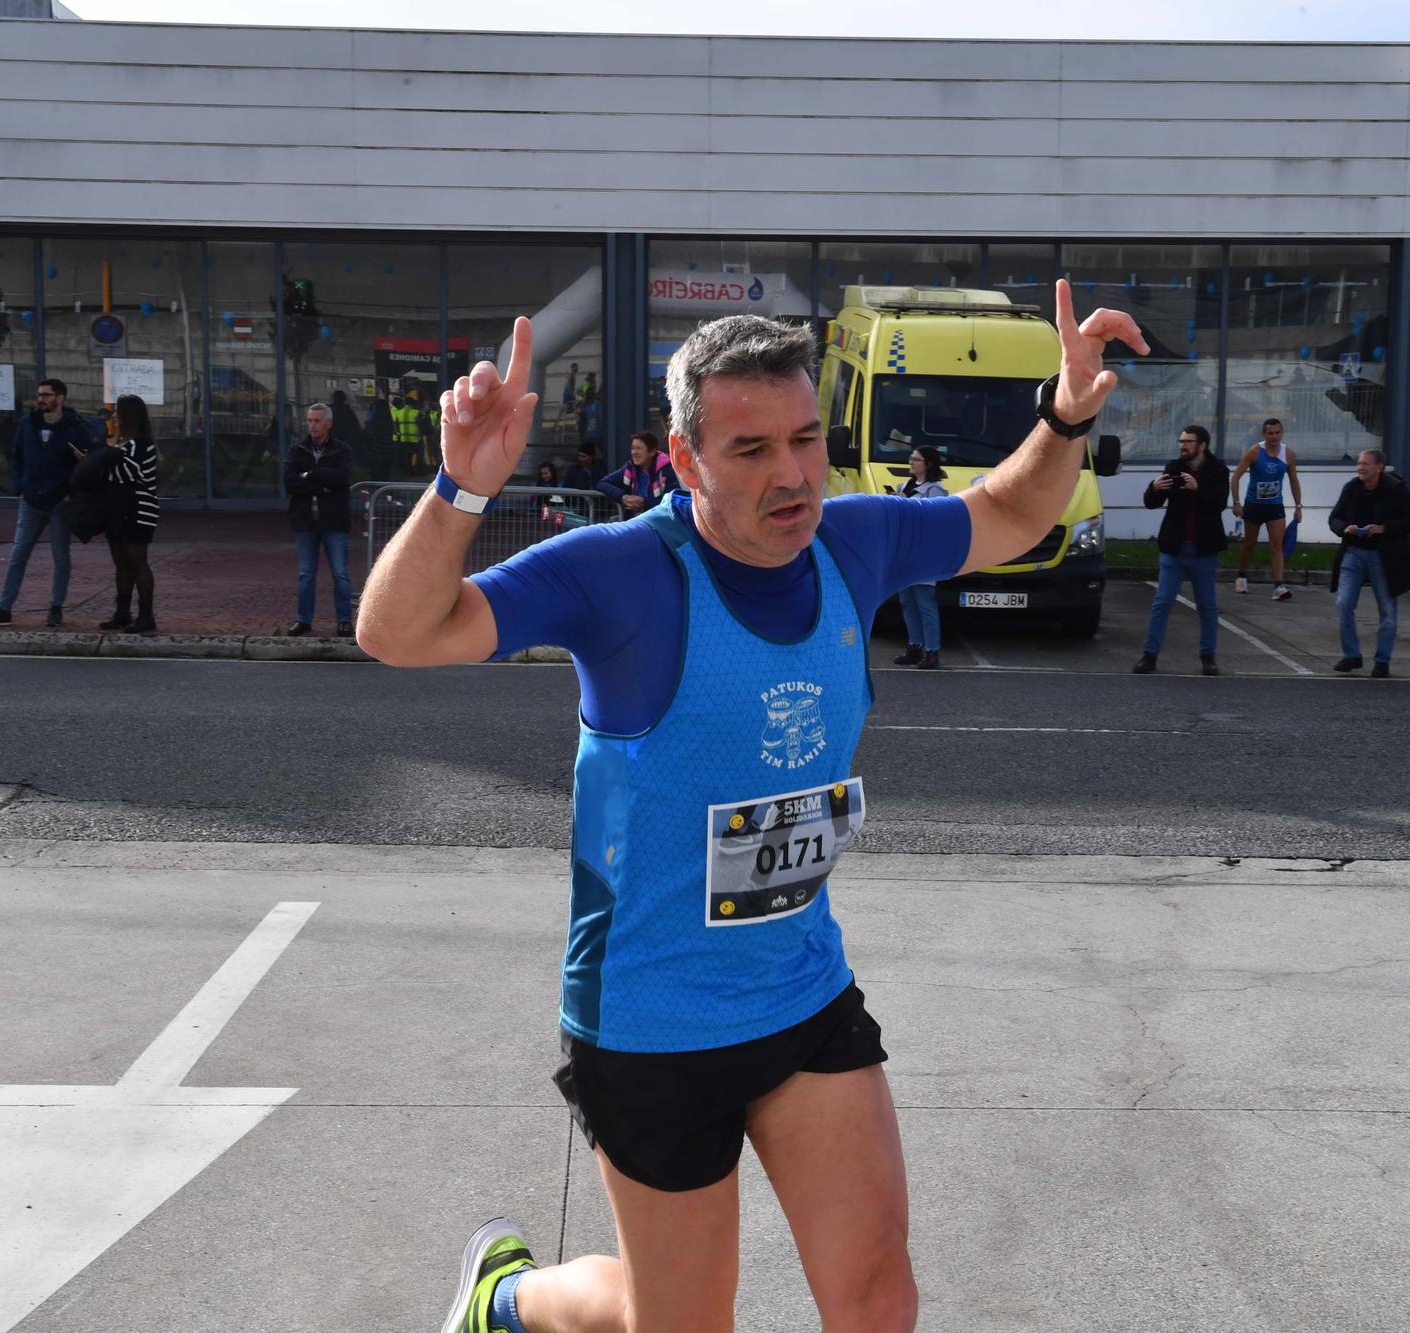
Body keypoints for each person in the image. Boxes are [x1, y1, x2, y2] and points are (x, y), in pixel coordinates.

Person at [356, 282, 1147, 1333]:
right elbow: (396, 632)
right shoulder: (621, 572)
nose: (790, 474)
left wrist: (1064, 415)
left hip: (798, 991)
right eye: (749, 451)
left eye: (805, 439)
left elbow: (1008, 511)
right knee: (670, 1319)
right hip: (649, 1018)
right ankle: (509, 1300)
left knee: (876, 1305)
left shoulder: (852, 545)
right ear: (683, 462)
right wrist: (458, 488)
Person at [0, 377, 94, 628]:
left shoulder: (75, 428)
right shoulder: (27, 423)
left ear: (60, 398)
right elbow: (16, 455)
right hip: (31, 500)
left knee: (61, 556)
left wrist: (71, 492)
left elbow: (88, 464)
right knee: (18, 554)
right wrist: (21, 487)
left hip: (60, 503)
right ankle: (4, 608)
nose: (41, 399)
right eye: (39, 394)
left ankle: (56, 607)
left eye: (47, 395)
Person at [1133, 423, 1230, 676]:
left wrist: (1198, 489)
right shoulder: (1174, 468)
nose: (1182, 446)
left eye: (1187, 442)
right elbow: (1151, 503)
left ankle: (1208, 657)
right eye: (1181, 441)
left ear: (1202, 445)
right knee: (1162, 602)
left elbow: (1219, 503)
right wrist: (1153, 489)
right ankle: (1149, 656)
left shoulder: (1217, 470)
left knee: (1207, 606)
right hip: (1174, 548)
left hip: (1203, 550)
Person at [1327, 449, 1410, 677]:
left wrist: (1385, 528)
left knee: (1387, 609)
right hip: (1354, 551)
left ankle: (1382, 660)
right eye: (1358, 464)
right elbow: (1334, 518)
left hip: (1383, 555)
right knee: (1343, 603)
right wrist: (1344, 528)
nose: (1360, 468)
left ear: (1379, 467)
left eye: (1365, 464)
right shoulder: (1352, 488)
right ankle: (1351, 655)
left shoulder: (1396, 489)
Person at [286, 401, 356, 638]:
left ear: (329, 423)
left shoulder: (341, 450)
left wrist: (310, 475)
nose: (312, 426)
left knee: (340, 573)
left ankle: (344, 620)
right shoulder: (297, 450)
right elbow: (290, 482)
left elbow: (340, 479)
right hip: (306, 522)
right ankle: (303, 619)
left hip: (334, 522)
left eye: (317, 421)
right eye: (309, 421)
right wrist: (321, 486)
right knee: (306, 574)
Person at [99, 394, 160, 633]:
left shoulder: (140, 444)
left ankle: (146, 615)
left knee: (137, 561)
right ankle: (122, 612)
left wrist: (100, 463)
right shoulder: (127, 444)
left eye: (118, 412)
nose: (114, 415)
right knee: (122, 562)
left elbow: (125, 473)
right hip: (121, 509)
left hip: (137, 509)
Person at [1227, 418, 1303, 600]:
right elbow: (1236, 477)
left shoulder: (1289, 455)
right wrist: (1236, 503)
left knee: (1277, 545)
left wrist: (1298, 506)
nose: (1274, 437)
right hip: (1254, 505)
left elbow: (1294, 480)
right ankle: (1242, 575)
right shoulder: (1254, 452)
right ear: (1264, 435)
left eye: (1277, 433)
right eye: (1270, 433)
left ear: (1282, 433)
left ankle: (1278, 586)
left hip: (1275, 506)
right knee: (1249, 543)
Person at [892, 445, 950, 669]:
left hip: (924, 552)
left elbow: (934, 520)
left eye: (916, 460)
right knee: (907, 602)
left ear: (928, 464)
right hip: (905, 551)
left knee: (925, 603)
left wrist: (907, 504)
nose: (911, 462)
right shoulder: (904, 485)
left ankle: (932, 651)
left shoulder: (935, 489)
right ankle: (914, 647)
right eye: (911, 458)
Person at [595, 431, 680, 516]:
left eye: (639, 448)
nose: (634, 452)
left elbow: (673, 500)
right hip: (634, 521)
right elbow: (602, 483)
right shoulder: (630, 468)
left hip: (658, 522)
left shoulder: (666, 470)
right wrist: (623, 497)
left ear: (652, 452)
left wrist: (644, 503)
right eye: (633, 448)